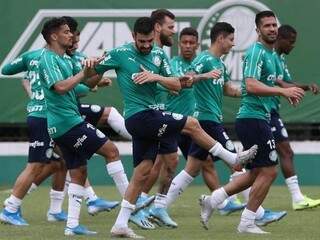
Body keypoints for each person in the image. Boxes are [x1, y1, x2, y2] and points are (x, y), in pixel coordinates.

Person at [83, 16, 257, 239]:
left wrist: (154, 77)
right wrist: (89, 68)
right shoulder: (119, 53)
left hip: (152, 116)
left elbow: (176, 85)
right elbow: (89, 81)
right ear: (134, 37)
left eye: (148, 41)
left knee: (143, 172)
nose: (146, 45)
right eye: (141, 41)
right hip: (139, 117)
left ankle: (121, 224)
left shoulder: (158, 54)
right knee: (192, 124)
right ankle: (232, 159)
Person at [199, 11, 305, 234]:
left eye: (274, 25)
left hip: (257, 118)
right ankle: (247, 222)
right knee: (269, 172)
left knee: (255, 173)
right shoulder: (256, 52)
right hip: (252, 118)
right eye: (266, 26)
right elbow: (250, 86)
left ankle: (213, 200)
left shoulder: (271, 55)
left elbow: (268, 83)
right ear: (257, 30)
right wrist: (281, 91)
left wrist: (289, 91)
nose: (272, 29)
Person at [38, 17, 129, 236]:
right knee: (112, 151)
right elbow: (60, 87)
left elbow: (86, 83)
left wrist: (97, 67)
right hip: (67, 123)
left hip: (66, 123)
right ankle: (134, 203)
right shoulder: (48, 58)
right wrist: (82, 73)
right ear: (54, 36)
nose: (71, 35)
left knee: (78, 170)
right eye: (67, 32)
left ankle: (72, 225)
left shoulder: (64, 59)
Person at [273, 24, 320, 210]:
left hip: (270, 111)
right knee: (281, 155)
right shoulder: (267, 55)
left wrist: (306, 87)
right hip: (260, 111)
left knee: (280, 154)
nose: (293, 46)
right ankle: (297, 198)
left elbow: (286, 82)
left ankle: (297, 198)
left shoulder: (280, 58)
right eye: (291, 42)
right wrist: (288, 90)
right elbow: (274, 81)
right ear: (280, 39)